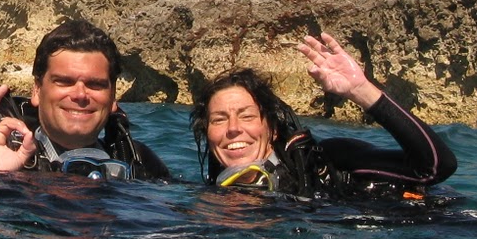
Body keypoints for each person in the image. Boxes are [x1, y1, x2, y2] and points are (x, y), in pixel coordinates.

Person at [189, 32, 455, 198]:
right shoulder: (210, 201)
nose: (233, 128)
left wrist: (361, 91)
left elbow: (434, 168)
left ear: (272, 129)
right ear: (207, 133)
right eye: (219, 119)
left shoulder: (327, 164)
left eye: (247, 116)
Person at [0, 18, 171, 181]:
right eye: (64, 82)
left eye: (95, 84)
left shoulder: (141, 166)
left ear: (113, 97)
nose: (80, 95)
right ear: (37, 91)